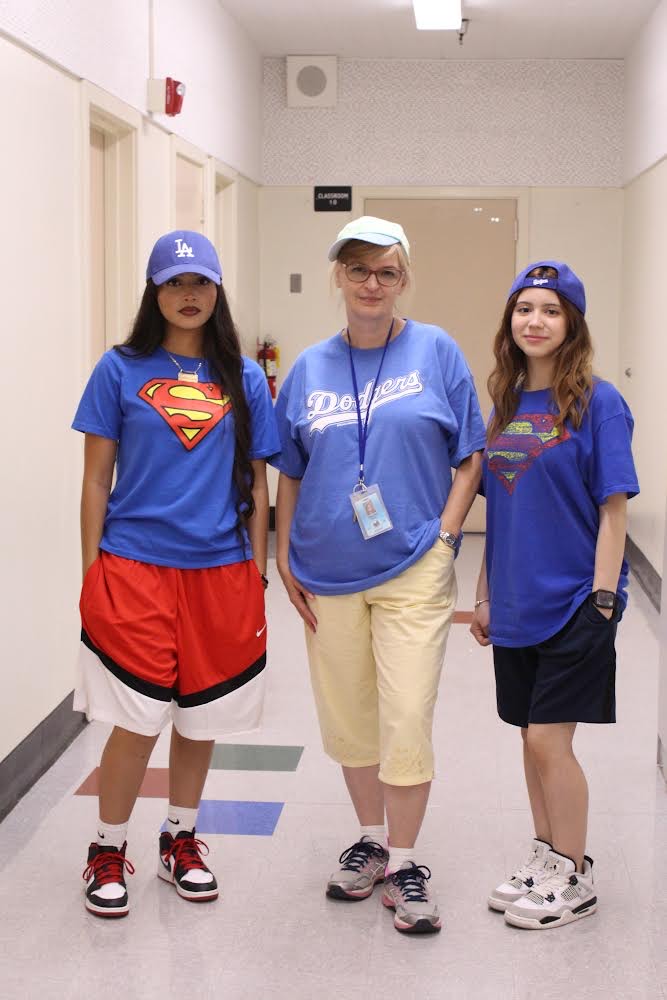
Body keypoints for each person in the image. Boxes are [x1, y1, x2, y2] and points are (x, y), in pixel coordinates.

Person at [272, 216, 486, 934]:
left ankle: (405, 859)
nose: (370, 283)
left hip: (412, 568)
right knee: (349, 718)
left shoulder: (435, 351)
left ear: (403, 281)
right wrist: (281, 550)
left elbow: (471, 454)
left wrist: (447, 536)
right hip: (325, 571)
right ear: (337, 276)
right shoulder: (308, 366)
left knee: (405, 715)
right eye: (357, 269)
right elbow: (291, 471)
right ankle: (369, 840)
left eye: (385, 271)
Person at [73, 230, 280, 917]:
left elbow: (257, 479)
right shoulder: (119, 368)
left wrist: (256, 569)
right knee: (134, 720)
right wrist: (91, 571)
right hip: (134, 566)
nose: (188, 296)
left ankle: (180, 839)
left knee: (201, 718)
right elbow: (97, 479)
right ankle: (107, 849)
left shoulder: (243, 377)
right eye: (174, 283)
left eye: (200, 284)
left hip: (220, 571)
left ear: (217, 293)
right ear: (154, 292)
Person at [470, 260, 639, 930]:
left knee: (548, 739)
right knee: (526, 736)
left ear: (570, 323)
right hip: (513, 602)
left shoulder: (598, 403)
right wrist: (483, 594)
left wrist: (602, 599)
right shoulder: (506, 406)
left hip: (574, 598)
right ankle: (545, 855)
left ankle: (574, 873)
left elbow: (613, 510)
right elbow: (499, 515)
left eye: (549, 309)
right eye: (523, 309)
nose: (534, 321)